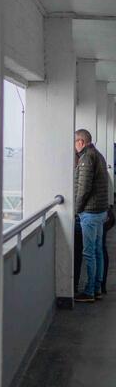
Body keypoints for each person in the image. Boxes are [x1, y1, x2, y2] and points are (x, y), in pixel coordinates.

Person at [76, 128, 110, 301]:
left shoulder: (86, 158)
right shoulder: (98, 155)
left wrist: (76, 209)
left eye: (75, 143)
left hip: (90, 212)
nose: (74, 147)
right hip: (101, 211)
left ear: (81, 142)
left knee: (89, 253)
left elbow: (83, 188)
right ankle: (97, 288)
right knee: (97, 251)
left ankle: (89, 292)